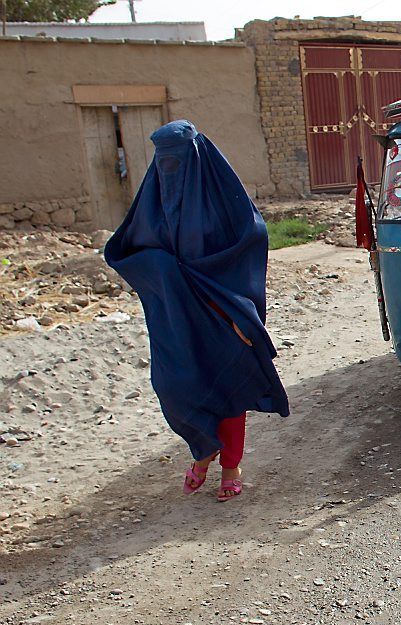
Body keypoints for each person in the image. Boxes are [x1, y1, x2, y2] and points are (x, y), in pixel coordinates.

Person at [105, 120, 289, 501]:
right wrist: (166, 271)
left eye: (179, 159)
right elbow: (129, 253)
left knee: (228, 392)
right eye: (165, 161)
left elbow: (252, 237)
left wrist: (241, 312)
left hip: (222, 312)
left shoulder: (220, 200)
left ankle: (231, 466)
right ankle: (203, 451)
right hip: (175, 318)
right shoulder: (153, 203)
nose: (172, 169)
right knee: (175, 387)